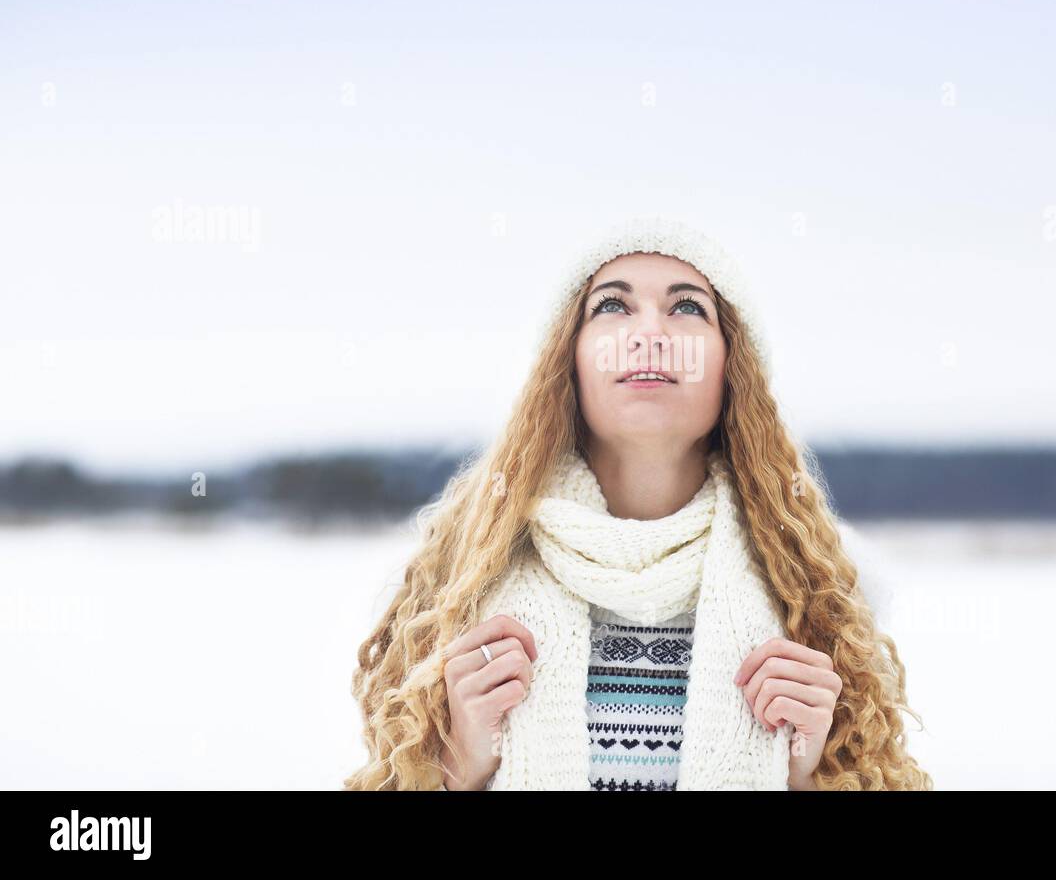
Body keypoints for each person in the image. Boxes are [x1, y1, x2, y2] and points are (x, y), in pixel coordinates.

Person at [345, 216, 931, 790]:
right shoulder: (450, 582)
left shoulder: (827, 585)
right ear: (567, 362)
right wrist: (457, 771)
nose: (649, 334)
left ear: (734, 368)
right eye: (612, 306)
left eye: (686, 307)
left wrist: (810, 776)